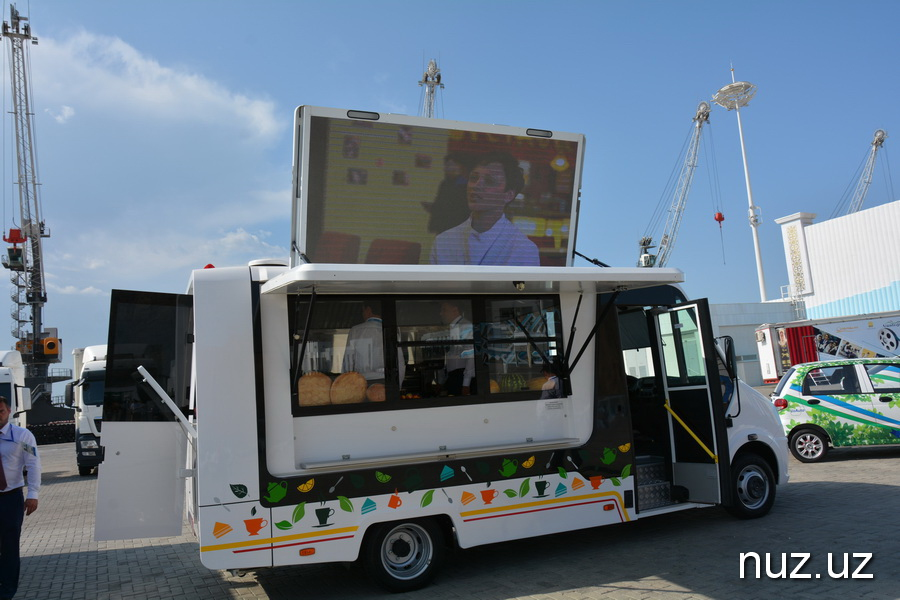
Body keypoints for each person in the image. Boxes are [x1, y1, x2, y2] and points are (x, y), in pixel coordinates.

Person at [429, 152, 540, 266]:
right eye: (473, 178)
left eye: (489, 181)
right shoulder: (443, 242)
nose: (476, 185)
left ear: (508, 195)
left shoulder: (524, 250)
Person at [0, 396, 40, 600]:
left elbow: (33, 464)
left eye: (1, 412)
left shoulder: (23, 436)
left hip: (10, 499)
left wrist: (33, 494)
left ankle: (7, 591)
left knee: (8, 548)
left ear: (9, 412)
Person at [423, 153, 472, 234]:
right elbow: (441, 203)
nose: (446, 168)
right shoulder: (444, 184)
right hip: (443, 228)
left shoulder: (466, 186)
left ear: (459, 166)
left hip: (457, 229)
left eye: (450, 165)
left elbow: (464, 210)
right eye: (446, 165)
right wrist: (433, 208)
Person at [439, 301, 476, 395]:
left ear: (455, 310)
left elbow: (471, 355)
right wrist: (442, 381)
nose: (441, 313)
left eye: (444, 310)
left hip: (461, 376)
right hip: (453, 376)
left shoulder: (465, 326)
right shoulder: (452, 327)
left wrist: (466, 384)